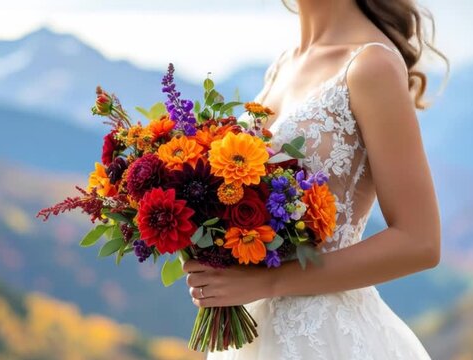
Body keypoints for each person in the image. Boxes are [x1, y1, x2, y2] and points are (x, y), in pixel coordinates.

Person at [183, 0, 447, 358]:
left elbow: (420, 242)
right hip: (256, 335)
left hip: (327, 338)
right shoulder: (284, 63)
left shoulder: (372, 65)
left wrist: (269, 281)